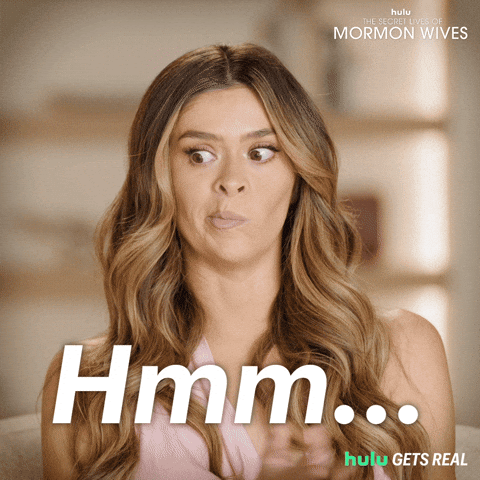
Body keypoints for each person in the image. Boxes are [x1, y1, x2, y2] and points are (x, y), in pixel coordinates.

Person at [41, 43, 456, 480]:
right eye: (199, 154)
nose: (231, 182)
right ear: (159, 179)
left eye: (260, 152)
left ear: (298, 174)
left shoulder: (401, 350)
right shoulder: (87, 382)